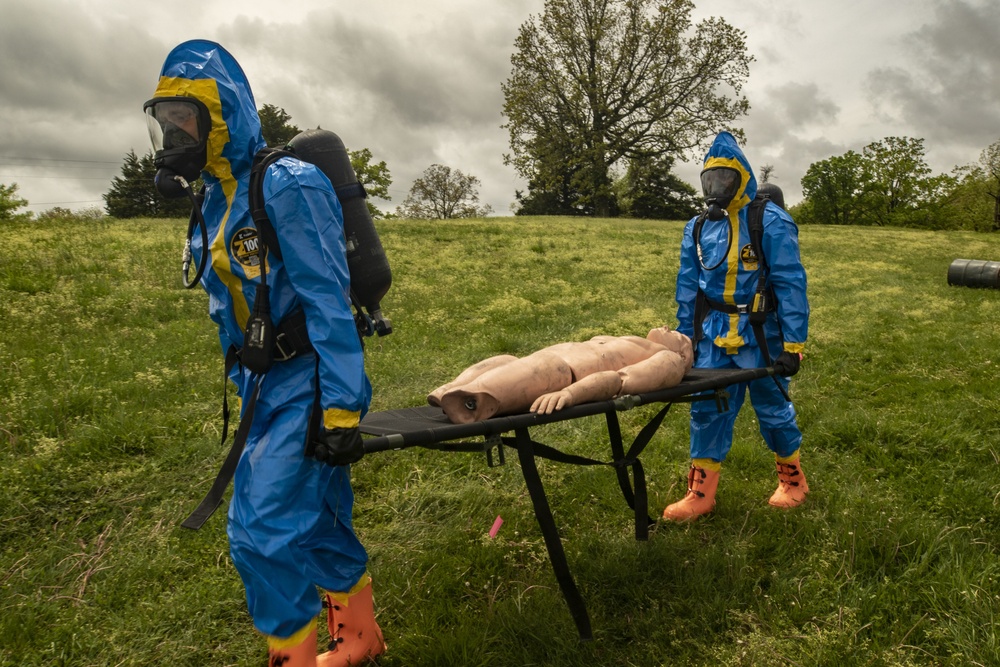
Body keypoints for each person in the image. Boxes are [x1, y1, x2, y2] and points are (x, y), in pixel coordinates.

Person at [144, 40, 385, 666]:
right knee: (320, 517)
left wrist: (340, 408)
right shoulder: (214, 201)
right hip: (263, 385)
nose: (175, 136)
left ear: (221, 114)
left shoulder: (286, 184)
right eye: (166, 123)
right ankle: (358, 638)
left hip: (308, 379)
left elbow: (329, 303)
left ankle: (293, 658)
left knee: (260, 530)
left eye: (185, 120)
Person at [662, 131, 810, 522]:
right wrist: (686, 337)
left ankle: (793, 481)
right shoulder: (696, 228)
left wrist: (793, 344)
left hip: (762, 333)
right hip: (713, 335)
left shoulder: (769, 221)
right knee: (707, 411)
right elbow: (687, 286)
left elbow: (791, 283)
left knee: (773, 407)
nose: (717, 189)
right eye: (710, 180)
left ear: (741, 179)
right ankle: (700, 493)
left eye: (726, 180)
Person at [428, 326, 693, 423]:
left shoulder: (669, 361)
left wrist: (571, 393)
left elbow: (620, 381)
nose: (669, 326)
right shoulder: (622, 338)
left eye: (680, 336)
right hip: (546, 360)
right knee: (508, 360)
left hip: (562, 373)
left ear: (684, 355)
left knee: (491, 388)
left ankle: (466, 404)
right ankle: (449, 389)